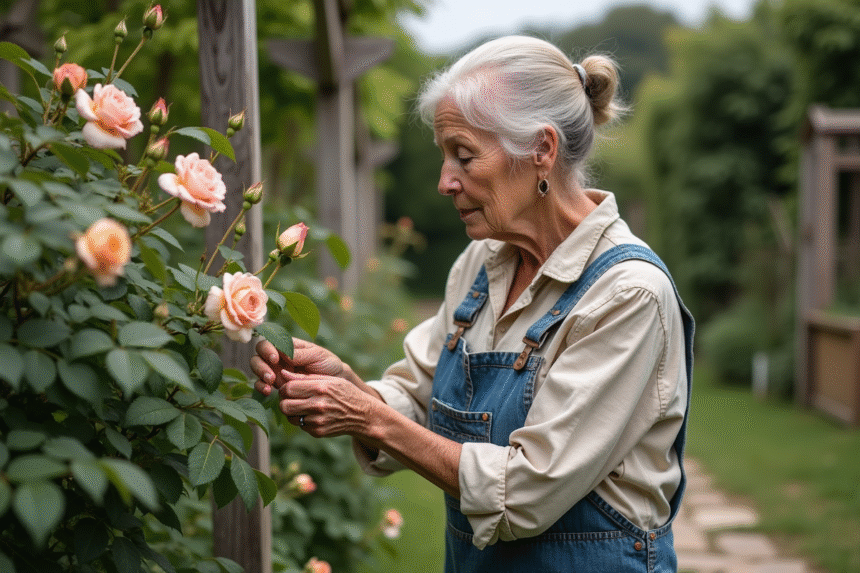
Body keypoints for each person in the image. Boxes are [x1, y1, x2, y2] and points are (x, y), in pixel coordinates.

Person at [251, 35, 694, 573]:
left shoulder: (627, 294)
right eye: (444, 156)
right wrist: (347, 385)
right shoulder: (481, 265)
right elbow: (414, 399)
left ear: (542, 151)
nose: (445, 181)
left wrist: (368, 418)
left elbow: (526, 491)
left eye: (464, 155)